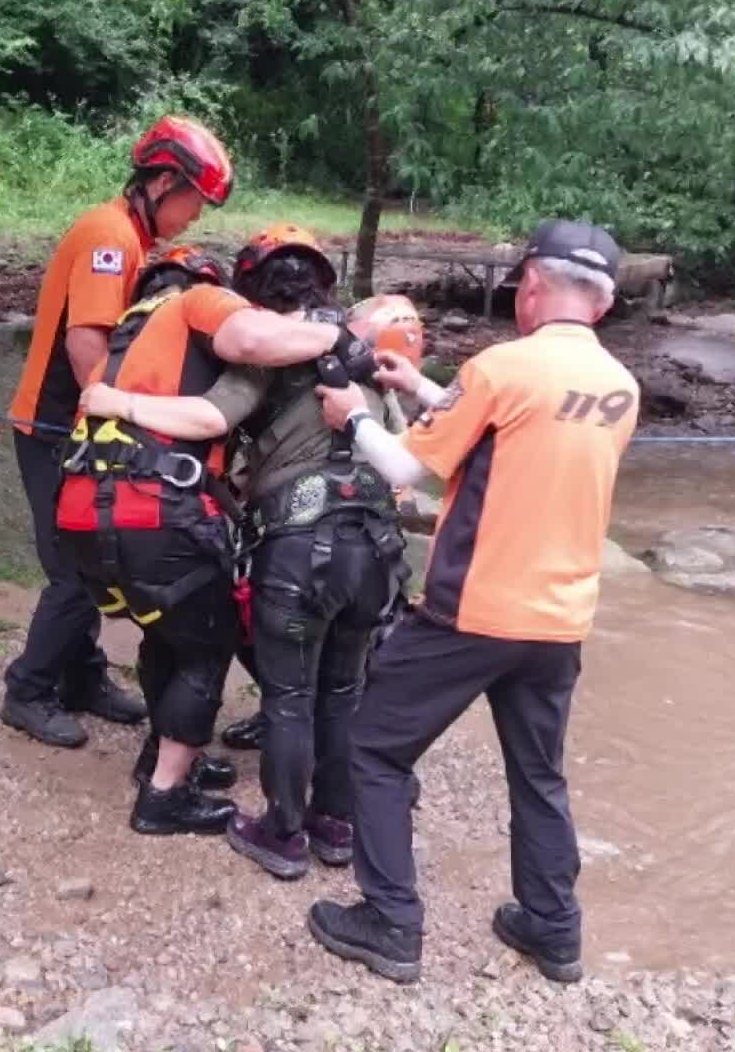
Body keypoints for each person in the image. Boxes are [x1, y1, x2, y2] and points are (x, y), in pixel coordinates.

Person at [303, 219, 640, 986]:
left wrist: (353, 414)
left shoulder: (502, 366)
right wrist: (419, 387)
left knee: (377, 750)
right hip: (559, 622)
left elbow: (403, 467)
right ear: (606, 303)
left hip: (474, 610)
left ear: (530, 285)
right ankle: (553, 931)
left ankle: (391, 922)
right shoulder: (620, 387)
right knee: (539, 775)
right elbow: (517, 441)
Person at [81, 228, 419, 879]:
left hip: (300, 549)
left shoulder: (264, 356)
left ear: (253, 296)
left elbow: (210, 419)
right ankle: (337, 825)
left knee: (289, 696)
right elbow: (405, 465)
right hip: (376, 549)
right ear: (325, 286)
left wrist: (116, 401)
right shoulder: (366, 355)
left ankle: (283, 833)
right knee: (342, 692)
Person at [0, 115, 235, 750]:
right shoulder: (111, 238)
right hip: (56, 425)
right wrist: (118, 428)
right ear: (162, 183)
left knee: (93, 564)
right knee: (74, 573)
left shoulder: (124, 233)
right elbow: (88, 345)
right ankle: (28, 689)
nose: (194, 217)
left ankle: (82, 677)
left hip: (66, 424)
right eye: (193, 201)